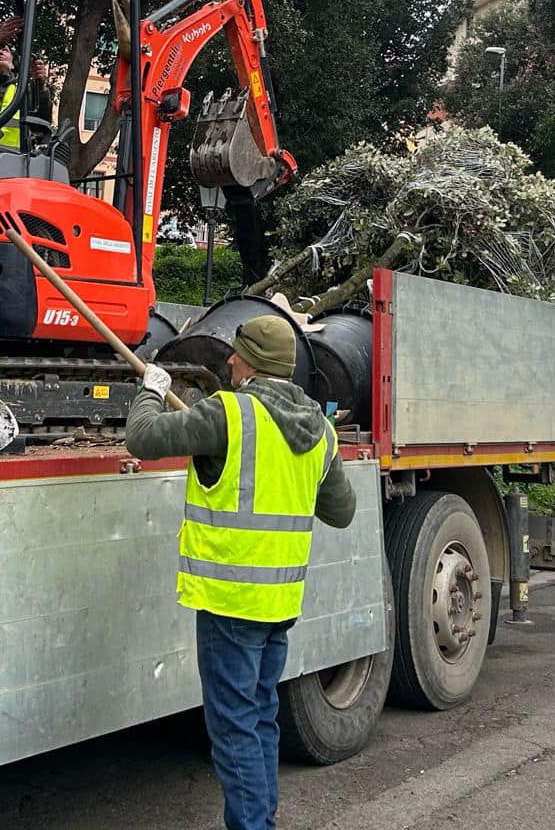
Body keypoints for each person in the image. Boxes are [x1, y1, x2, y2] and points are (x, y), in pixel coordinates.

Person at [127, 315, 355, 830]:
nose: (229, 360)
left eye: (237, 353)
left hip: (231, 603)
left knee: (233, 731)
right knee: (258, 718)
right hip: (279, 604)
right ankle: (262, 819)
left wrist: (151, 388)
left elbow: (141, 440)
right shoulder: (319, 428)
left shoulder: (228, 415)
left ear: (252, 363)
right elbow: (340, 511)